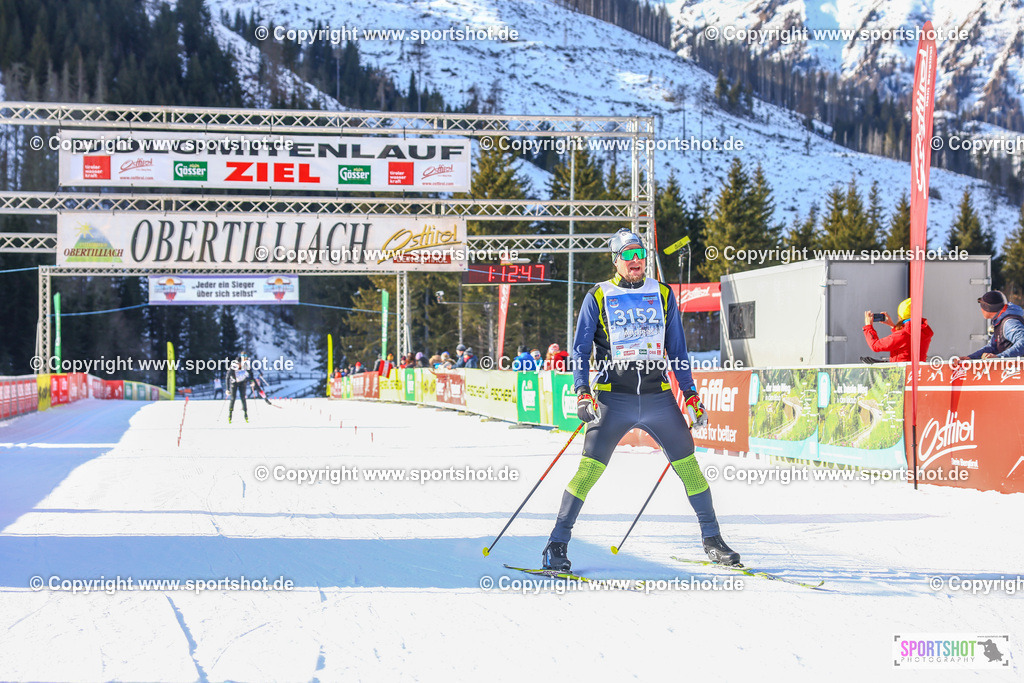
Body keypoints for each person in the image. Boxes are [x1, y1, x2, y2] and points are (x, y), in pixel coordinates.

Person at [542, 228, 737, 572]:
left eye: (640, 254)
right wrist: (581, 392)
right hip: (612, 400)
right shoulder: (598, 295)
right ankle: (556, 544)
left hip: (657, 398)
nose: (636, 261)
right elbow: (580, 349)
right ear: (616, 260)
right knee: (587, 471)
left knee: (689, 467)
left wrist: (690, 393)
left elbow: (677, 349)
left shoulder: (661, 293)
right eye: (628, 255)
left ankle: (713, 539)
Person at [862, 298, 934, 362]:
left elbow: (875, 346)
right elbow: (907, 343)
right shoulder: (924, 330)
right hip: (917, 374)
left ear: (901, 316)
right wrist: (893, 326)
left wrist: (868, 326)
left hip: (902, 374)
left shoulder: (903, 334)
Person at [960, 290, 1024, 359]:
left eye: (982, 306)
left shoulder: (1008, 323)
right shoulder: (1000, 321)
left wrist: (999, 357)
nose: (981, 309)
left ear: (987, 308)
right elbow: (992, 347)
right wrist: (970, 358)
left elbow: (1023, 343)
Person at [227, 358, 249, 423]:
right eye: (238, 364)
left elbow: (250, 374)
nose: (239, 365)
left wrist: (252, 381)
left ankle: (245, 413)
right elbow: (227, 377)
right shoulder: (232, 367)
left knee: (243, 397)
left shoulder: (245, 366)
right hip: (234, 383)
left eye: (240, 364)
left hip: (242, 383)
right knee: (233, 398)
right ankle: (230, 414)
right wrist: (227, 389)